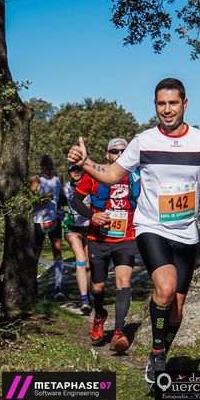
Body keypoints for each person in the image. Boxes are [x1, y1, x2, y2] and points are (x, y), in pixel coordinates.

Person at [68, 78, 200, 385]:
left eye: (172, 103)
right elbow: (112, 174)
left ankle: (162, 350)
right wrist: (86, 162)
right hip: (150, 226)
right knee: (165, 288)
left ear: (185, 104)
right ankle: (157, 356)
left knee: (177, 310)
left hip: (187, 232)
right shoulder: (143, 141)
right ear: (154, 106)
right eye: (161, 104)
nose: (166, 110)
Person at [70, 138, 141, 354]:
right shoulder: (94, 176)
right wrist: (93, 215)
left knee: (124, 281)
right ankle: (99, 314)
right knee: (98, 287)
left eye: (124, 150)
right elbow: (75, 201)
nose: (120, 154)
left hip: (126, 238)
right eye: (115, 151)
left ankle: (119, 332)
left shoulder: (137, 178)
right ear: (107, 155)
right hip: (99, 240)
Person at [29, 154, 65, 299]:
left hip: (54, 220)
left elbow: (60, 195)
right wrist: (44, 197)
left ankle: (58, 287)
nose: (49, 167)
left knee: (58, 252)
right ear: (41, 166)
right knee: (37, 253)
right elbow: (30, 200)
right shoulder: (36, 179)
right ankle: (33, 286)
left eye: (51, 164)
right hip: (39, 221)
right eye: (46, 165)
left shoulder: (58, 178)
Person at [62, 163, 92, 315]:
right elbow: (57, 203)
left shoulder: (92, 183)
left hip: (89, 227)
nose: (75, 172)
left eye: (78, 169)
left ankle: (90, 294)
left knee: (88, 264)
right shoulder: (65, 187)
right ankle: (84, 298)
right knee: (80, 260)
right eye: (72, 169)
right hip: (72, 228)